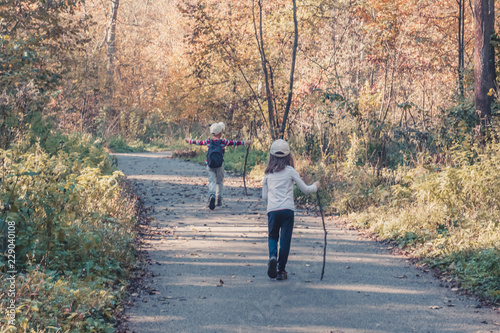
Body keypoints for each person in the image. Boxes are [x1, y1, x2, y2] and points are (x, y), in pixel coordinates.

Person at [262, 139, 320, 280]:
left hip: (272, 210)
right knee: (285, 240)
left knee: (273, 236)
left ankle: (272, 256)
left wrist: (273, 203)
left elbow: (264, 197)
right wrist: (316, 186)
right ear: (289, 156)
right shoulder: (291, 171)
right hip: (287, 210)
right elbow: (305, 189)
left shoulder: (268, 174)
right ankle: (281, 270)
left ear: (271, 156)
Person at [185, 122, 252, 210]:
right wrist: (246, 142)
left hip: (210, 164)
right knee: (219, 182)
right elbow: (235, 143)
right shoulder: (223, 142)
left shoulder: (208, 141)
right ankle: (219, 199)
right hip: (220, 164)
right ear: (220, 133)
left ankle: (212, 195)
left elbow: (198, 142)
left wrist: (189, 140)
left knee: (212, 181)